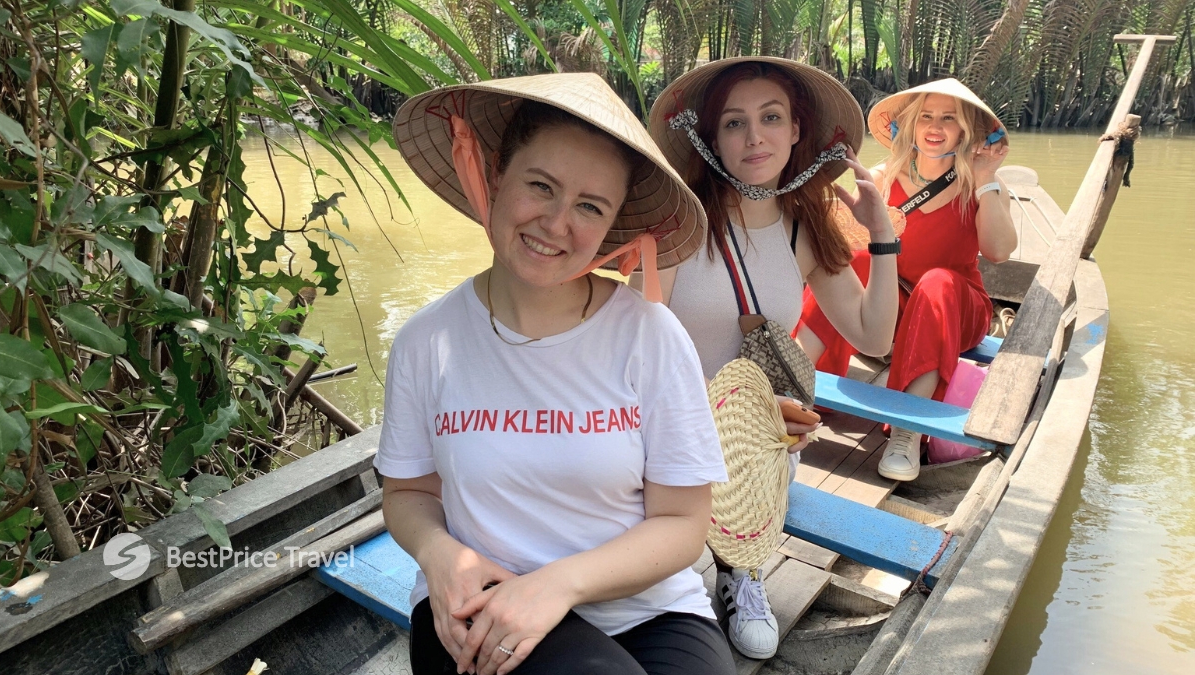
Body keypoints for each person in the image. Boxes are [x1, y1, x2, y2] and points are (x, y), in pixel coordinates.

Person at [376, 73, 734, 675]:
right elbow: (408, 494)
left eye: (589, 206)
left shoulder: (650, 335)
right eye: (540, 186)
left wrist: (559, 586)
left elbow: (683, 522)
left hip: (646, 610)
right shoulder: (426, 342)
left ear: (613, 223)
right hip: (479, 599)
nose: (556, 222)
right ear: (495, 177)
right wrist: (439, 555)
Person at [640, 57, 900, 660]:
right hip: (669, 427)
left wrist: (881, 232)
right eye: (735, 123)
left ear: (796, 132)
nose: (755, 136)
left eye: (771, 118)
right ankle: (671, 566)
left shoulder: (803, 230)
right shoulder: (680, 224)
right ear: (711, 140)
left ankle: (741, 567)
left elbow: (873, 336)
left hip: (755, 445)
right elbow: (640, 346)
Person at [796, 78, 1016, 482]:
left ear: (966, 129)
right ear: (909, 125)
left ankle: (906, 433)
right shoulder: (883, 176)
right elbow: (840, 244)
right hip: (891, 308)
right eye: (926, 116)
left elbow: (1000, 251)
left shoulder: (983, 184)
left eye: (949, 118)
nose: (935, 127)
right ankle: (791, 391)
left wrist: (985, 176)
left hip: (954, 305)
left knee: (937, 282)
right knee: (852, 258)